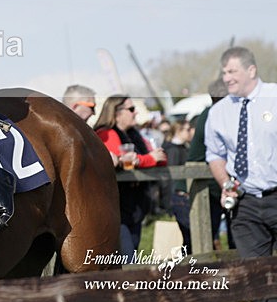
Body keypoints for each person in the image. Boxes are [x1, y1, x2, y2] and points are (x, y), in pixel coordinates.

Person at [205, 47, 277, 302]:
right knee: (256, 279)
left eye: (232, 71)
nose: (227, 77)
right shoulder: (219, 112)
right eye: (224, 72)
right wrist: (225, 183)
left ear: (251, 70)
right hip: (245, 204)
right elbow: (214, 154)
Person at [94, 95, 167, 260]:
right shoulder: (106, 133)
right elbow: (123, 160)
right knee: (127, 258)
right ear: (117, 113)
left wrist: (149, 159)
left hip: (134, 205)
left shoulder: (135, 134)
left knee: (132, 252)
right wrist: (149, 159)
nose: (136, 113)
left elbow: (159, 158)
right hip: (116, 206)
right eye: (132, 109)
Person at [188, 77, 229, 250]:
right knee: (202, 244)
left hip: (209, 184)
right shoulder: (213, 116)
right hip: (201, 185)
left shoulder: (212, 113)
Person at [162, 119, 195, 251]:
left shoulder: (183, 147)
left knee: (189, 237)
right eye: (187, 130)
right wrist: (169, 201)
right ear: (178, 130)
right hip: (178, 196)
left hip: (183, 195)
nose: (190, 133)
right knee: (189, 236)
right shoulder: (173, 150)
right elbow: (171, 178)